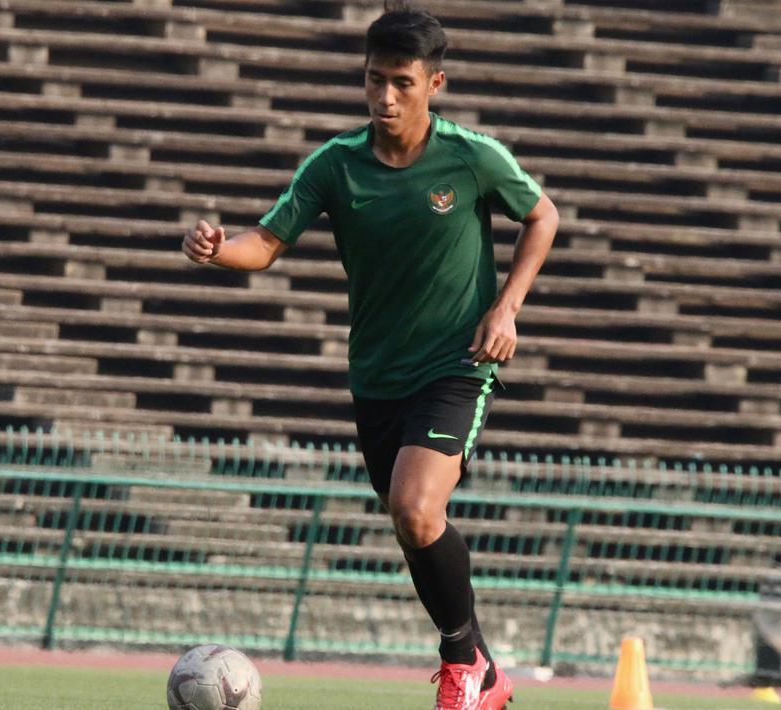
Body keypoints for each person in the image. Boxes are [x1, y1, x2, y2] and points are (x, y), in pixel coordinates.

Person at [182, 2, 558, 708]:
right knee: (409, 524)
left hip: (457, 364)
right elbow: (264, 243)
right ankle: (485, 668)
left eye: (402, 83)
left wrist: (506, 306)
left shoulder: (472, 156)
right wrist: (214, 249)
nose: (385, 96)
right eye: (374, 80)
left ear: (434, 84)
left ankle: (460, 663)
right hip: (377, 376)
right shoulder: (335, 164)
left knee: (415, 509)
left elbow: (541, 214)